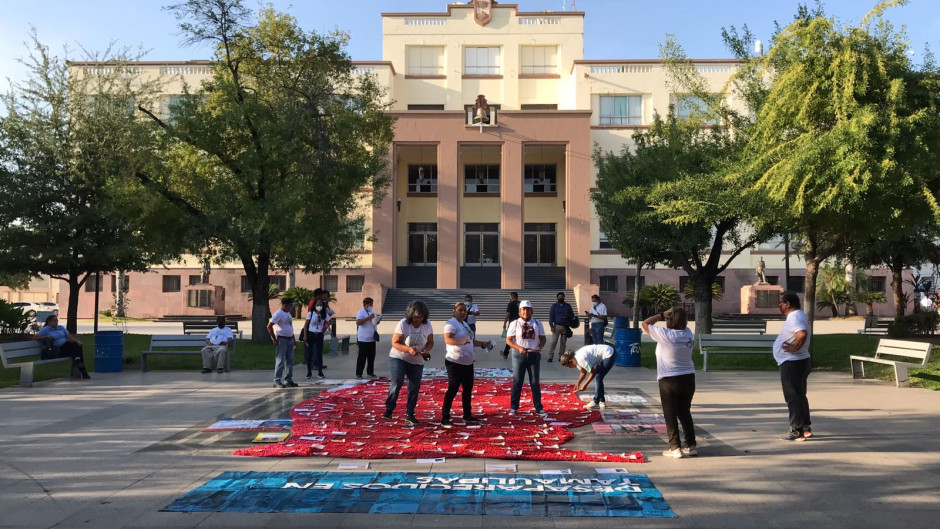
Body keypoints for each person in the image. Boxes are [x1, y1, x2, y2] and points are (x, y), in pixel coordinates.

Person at [642, 307, 696, 459]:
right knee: (684, 412)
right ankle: (691, 445)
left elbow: (645, 323)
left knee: (670, 414)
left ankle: (675, 448)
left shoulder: (665, 335)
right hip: (688, 377)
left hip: (669, 379)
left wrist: (660, 314)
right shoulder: (688, 334)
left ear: (670, 320)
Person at [441, 302, 493, 428]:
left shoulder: (465, 324)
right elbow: (448, 339)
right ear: (454, 311)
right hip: (454, 362)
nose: (463, 312)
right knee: (453, 389)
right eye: (460, 310)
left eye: (465, 310)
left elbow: (470, 341)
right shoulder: (451, 323)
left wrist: (482, 344)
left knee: (467, 389)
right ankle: (445, 417)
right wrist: (460, 342)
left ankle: (467, 414)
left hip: (468, 363)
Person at [383, 300, 434, 425]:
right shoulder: (403, 324)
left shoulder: (427, 325)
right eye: (416, 317)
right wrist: (408, 349)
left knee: (414, 387)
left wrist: (427, 350)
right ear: (411, 315)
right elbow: (394, 342)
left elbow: (430, 341)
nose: (418, 320)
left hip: (417, 361)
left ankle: (410, 413)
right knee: (397, 381)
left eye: (421, 317)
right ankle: (389, 408)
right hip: (399, 357)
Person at [774, 291, 813, 442]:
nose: (779, 305)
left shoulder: (795, 316)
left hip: (792, 362)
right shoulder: (798, 315)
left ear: (788, 304)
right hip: (798, 361)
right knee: (799, 395)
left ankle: (796, 430)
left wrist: (794, 348)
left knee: (793, 397)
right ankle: (805, 427)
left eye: (781, 302)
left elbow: (801, 334)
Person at [506, 300, 548, 416]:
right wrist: (518, 348)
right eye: (523, 309)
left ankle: (538, 407)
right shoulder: (514, 323)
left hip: (534, 355)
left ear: (531, 311)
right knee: (517, 381)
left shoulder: (538, 323)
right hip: (519, 355)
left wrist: (540, 347)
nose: (526, 312)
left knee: (535, 382)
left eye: (528, 309)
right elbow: (508, 340)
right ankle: (514, 407)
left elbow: (543, 338)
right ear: (520, 311)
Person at [560, 344, 615, 410]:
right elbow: (583, 372)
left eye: (569, 366)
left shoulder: (580, 359)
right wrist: (578, 383)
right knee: (599, 377)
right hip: (604, 353)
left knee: (598, 377)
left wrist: (585, 385)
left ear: (571, 361)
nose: (570, 368)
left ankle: (596, 401)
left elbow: (593, 373)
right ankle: (601, 400)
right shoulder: (575, 358)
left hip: (608, 354)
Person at [34, 315, 90, 379]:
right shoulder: (46, 329)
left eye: (57, 320)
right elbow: (35, 337)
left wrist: (77, 341)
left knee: (76, 345)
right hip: (60, 349)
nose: (56, 322)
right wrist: (46, 337)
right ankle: (83, 371)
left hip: (67, 346)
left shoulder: (61, 327)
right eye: (54, 320)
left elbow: (69, 336)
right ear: (49, 322)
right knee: (78, 352)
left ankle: (78, 360)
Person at [267, 297, 298, 388]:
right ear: (285, 305)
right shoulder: (278, 314)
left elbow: (290, 327)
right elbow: (269, 326)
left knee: (290, 361)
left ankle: (288, 380)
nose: (291, 307)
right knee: (280, 360)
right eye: (290, 305)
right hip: (281, 339)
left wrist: (294, 340)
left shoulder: (288, 314)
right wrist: (274, 339)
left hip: (289, 339)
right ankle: (277, 380)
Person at [300, 300, 330, 379]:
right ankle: (309, 372)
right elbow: (306, 324)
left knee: (319, 354)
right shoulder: (311, 313)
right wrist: (305, 335)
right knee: (310, 354)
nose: (319, 306)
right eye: (317, 305)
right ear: (315, 305)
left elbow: (330, 321)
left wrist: (325, 328)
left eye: (320, 305)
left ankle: (320, 372)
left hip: (319, 334)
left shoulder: (324, 314)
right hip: (311, 334)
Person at [355, 297, 380, 379]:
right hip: (363, 338)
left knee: (371, 356)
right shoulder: (361, 312)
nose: (371, 306)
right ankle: (359, 373)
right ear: (365, 304)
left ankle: (370, 372)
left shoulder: (371, 311)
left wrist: (377, 320)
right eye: (370, 304)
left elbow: (373, 321)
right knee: (362, 357)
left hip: (371, 338)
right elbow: (358, 322)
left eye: (372, 304)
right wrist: (368, 318)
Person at [547, 292, 575, 362]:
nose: (561, 298)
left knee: (563, 343)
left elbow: (572, 315)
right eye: (559, 297)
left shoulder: (567, 306)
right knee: (554, 342)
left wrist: (568, 316)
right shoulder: (554, 306)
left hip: (565, 327)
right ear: (557, 298)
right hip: (557, 326)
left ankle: (561, 356)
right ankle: (550, 356)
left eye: (562, 297)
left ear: (564, 297)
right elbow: (551, 316)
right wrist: (551, 326)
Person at [501, 292, 521, 359]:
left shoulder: (510, 304)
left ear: (511, 297)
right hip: (521, 323)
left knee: (509, 338)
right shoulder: (521, 303)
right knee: (521, 337)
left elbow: (508, 314)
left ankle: (505, 353)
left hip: (512, 324)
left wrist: (504, 323)